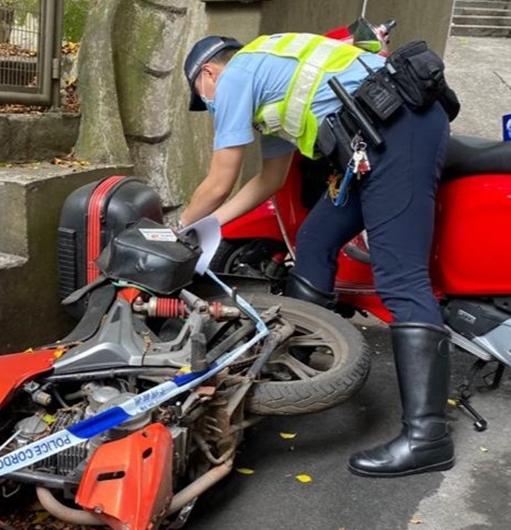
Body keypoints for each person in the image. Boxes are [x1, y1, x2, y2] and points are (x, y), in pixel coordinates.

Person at [179, 32, 454, 478]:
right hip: (375, 138)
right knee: (315, 239)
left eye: (201, 97)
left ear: (208, 74)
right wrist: (208, 227)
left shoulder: (235, 77)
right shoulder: (269, 89)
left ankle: (429, 437)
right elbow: (268, 182)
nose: (209, 105)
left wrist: (180, 231)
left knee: (400, 278)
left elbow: (220, 180)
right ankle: (302, 367)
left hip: (397, 129)